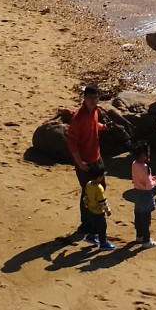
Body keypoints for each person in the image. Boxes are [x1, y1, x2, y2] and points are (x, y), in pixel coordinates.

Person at [65, 84, 103, 238]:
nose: (93, 101)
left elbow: (94, 125)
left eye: (95, 98)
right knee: (87, 192)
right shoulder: (78, 117)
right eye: (90, 98)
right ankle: (85, 224)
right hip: (85, 161)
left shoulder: (95, 111)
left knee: (101, 187)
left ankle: (96, 217)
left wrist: (102, 127)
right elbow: (71, 141)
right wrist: (79, 162)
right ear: (84, 99)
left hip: (97, 157)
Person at [128, 144, 156, 246]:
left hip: (137, 193)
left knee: (139, 216)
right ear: (142, 154)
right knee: (146, 219)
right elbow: (148, 185)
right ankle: (146, 240)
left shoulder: (134, 164)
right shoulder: (144, 167)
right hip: (145, 195)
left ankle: (139, 236)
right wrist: (155, 181)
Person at [79, 163, 110, 249]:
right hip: (99, 211)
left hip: (91, 209)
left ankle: (90, 236)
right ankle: (103, 243)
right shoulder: (99, 188)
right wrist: (107, 210)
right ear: (99, 177)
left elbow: (85, 196)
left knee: (95, 225)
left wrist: (86, 205)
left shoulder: (88, 184)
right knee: (102, 227)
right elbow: (102, 201)